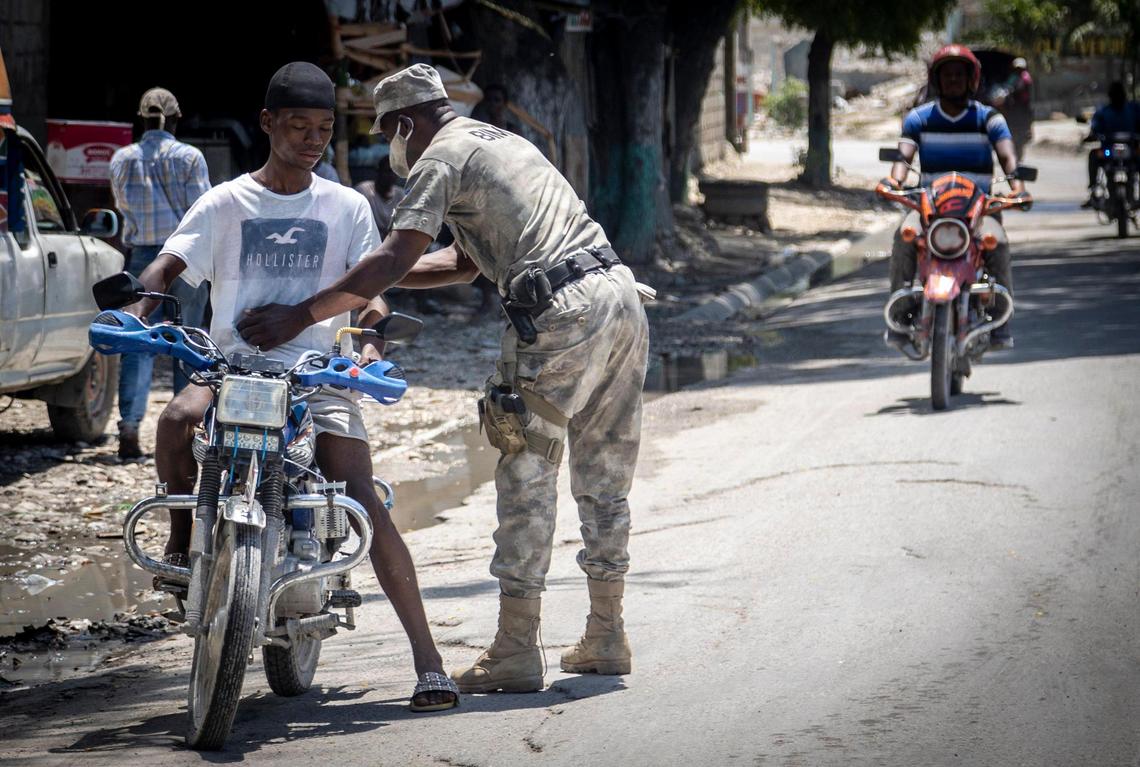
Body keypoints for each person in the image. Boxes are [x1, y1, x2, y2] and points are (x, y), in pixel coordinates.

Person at [236, 63, 651, 694]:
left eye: (391, 134)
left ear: (405, 123)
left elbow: (399, 252)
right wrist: (363, 278)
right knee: (604, 475)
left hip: (559, 315)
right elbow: (460, 262)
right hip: (620, 300)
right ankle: (607, 634)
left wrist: (303, 311)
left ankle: (515, 648)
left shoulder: (441, 158)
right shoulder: (505, 143)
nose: (395, 148)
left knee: (527, 470)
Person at [126, 62, 458, 712]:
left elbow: (373, 298)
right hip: (230, 370)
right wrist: (137, 308)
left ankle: (428, 659)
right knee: (172, 422)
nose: (311, 139)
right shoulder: (224, 203)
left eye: (323, 129)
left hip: (315, 377)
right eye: (299, 126)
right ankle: (177, 539)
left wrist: (368, 345)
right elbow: (167, 265)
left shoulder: (347, 207)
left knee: (361, 492)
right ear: (268, 123)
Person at [884, 44, 1025, 350]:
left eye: (959, 74)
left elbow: (1007, 157)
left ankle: (1002, 322)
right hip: (930, 209)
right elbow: (903, 157)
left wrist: (1017, 188)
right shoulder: (918, 118)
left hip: (979, 211)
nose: (953, 80)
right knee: (903, 236)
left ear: (971, 79)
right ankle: (900, 317)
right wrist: (894, 181)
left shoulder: (990, 118)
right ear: (937, 79)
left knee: (997, 243)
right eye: (946, 74)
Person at [109, 87, 211, 459]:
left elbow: (121, 208)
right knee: (186, 340)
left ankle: (130, 426)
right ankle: (185, 426)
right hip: (183, 260)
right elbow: (203, 215)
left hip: (140, 261)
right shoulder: (189, 157)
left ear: (141, 118)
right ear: (177, 119)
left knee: (137, 343)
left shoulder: (121, 159)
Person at [1083, 81, 1140, 209]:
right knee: (1095, 155)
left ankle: (1093, 188)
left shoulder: (1107, 111)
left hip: (1122, 151)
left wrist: (1092, 135)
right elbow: (1095, 129)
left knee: (1094, 155)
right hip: (1114, 152)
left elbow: (1095, 129)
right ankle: (1093, 189)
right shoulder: (1129, 109)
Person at [1000, 57, 1033, 161]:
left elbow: (1017, 91)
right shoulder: (1014, 77)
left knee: (1020, 136)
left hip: (1022, 110)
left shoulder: (1025, 78)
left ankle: (1018, 158)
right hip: (1015, 110)